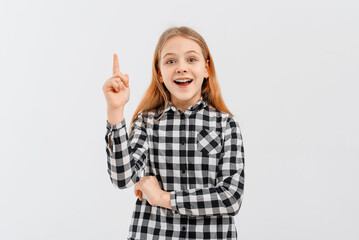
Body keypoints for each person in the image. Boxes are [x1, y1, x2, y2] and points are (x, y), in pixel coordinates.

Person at [102, 26, 245, 240]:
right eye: (170, 61)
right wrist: (116, 110)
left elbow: (230, 197)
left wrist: (162, 198)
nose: (181, 68)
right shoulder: (147, 122)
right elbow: (122, 178)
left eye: (191, 59)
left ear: (206, 69)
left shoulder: (226, 124)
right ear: (160, 73)